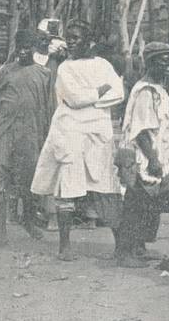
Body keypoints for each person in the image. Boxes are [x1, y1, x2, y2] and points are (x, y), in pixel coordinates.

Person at [30, 19, 125, 261]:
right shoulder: (65, 68)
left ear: (90, 42)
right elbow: (73, 98)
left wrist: (93, 98)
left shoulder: (103, 65)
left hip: (98, 132)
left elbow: (118, 93)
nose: (70, 42)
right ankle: (65, 246)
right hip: (70, 130)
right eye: (68, 37)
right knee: (68, 186)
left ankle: (121, 246)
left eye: (76, 38)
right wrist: (98, 92)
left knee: (105, 184)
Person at [114, 43, 169, 267]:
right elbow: (142, 130)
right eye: (162, 63)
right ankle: (124, 251)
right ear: (150, 63)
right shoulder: (145, 92)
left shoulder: (157, 89)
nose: (167, 68)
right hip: (144, 158)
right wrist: (154, 159)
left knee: (147, 206)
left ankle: (138, 247)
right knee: (136, 204)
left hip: (155, 158)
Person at [0, 30, 53, 246]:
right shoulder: (7, 71)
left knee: (30, 179)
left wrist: (46, 134)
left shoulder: (43, 74)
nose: (23, 52)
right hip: (4, 132)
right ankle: (0, 230)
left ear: (34, 48)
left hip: (30, 133)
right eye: (19, 47)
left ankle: (29, 220)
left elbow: (49, 107)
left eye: (27, 47)